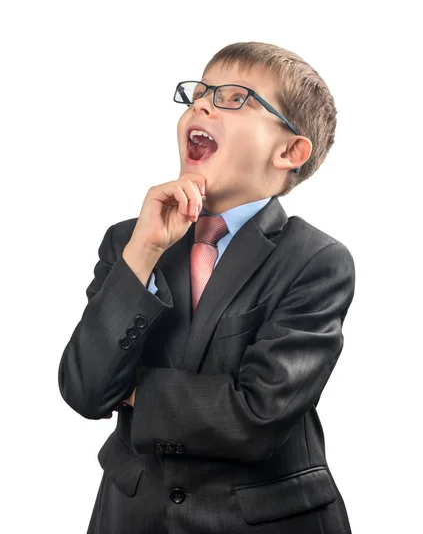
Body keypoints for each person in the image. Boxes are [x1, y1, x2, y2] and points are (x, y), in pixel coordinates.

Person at [58, 41, 356, 534]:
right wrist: (144, 253)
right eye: (198, 93)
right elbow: (87, 390)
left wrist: (132, 392)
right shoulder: (128, 242)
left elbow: (255, 417)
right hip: (132, 518)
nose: (200, 103)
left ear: (289, 151)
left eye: (232, 97)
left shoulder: (316, 262)